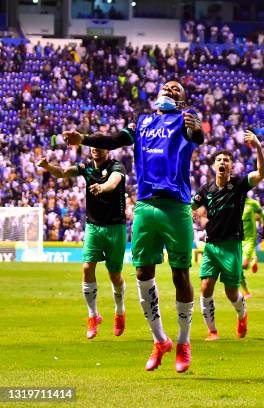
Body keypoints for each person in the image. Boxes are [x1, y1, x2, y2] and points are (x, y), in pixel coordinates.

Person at [64, 80, 204, 373]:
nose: (170, 88)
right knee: (142, 273)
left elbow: (197, 136)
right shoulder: (143, 122)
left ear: (182, 99)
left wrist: (196, 127)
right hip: (145, 206)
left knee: (181, 275)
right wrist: (84, 138)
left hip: (176, 207)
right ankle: (159, 340)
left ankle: (183, 342)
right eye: (167, 85)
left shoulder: (185, 119)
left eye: (177, 88)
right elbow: (113, 139)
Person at [35, 148, 127, 340]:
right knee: (87, 268)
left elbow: (113, 182)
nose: (95, 149)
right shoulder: (85, 167)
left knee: (115, 275)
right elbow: (62, 172)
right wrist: (47, 166)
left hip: (115, 227)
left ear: (106, 149)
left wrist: (102, 188)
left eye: (99, 146)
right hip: (93, 226)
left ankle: (120, 311)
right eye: (93, 146)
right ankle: (93, 316)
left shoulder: (116, 166)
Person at [193, 131, 264, 341]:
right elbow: (193, 207)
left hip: (231, 246)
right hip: (211, 246)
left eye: (226, 160)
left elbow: (262, 172)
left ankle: (242, 315)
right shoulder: (205, 189)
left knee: (231, 293)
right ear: (214, 166)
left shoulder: (240, 184)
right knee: (205, 287)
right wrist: (201, 218)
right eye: (219, 160)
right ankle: (212, 331)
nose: (222, 162)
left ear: (232, 166)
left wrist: (258, 147)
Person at [240, 194, 264, 298]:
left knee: (242, 266)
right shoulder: (231, 202)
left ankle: (252, 260)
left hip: (249, 238)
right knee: (236, 268)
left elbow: (263, 215)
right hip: (236, 239)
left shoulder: (252, 203)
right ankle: (246, 292)